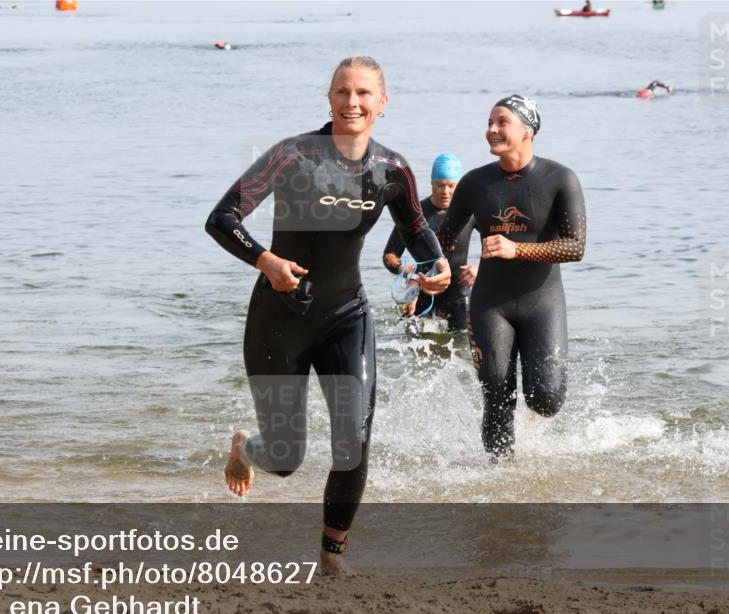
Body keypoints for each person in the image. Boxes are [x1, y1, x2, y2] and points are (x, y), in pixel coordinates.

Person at [205, 56, 451, 574]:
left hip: (346, 316)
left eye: (364, 93)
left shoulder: (392, 170)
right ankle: (244, 446)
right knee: (287, 459)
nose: (352, 102)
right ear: (330, 99)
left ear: (382, 104)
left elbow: (415, 229)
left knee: (354, 443)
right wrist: (265, 260)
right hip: (279, 318)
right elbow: (222, 218)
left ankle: (330, 556)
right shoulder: (293, 156)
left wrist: (437, 265)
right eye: (342, 92)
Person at [437, 95, 586, 460]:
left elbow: (575, 247)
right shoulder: (474, 184)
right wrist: (441, 269)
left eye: (502, 122)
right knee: (497, 394)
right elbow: (445, 239)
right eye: (489, 122)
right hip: (491, 301)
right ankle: (499, 475)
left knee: (546, 398)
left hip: (542, 301)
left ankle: (532, 436)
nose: (491, 129)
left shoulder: (559, 178)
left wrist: (517, 249)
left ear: (527, 130)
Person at [382, 152, 477, 332]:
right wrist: (403, 270)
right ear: (431, 183)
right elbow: (390, 255)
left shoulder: (469, 213)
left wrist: (480, 268)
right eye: (440, 185)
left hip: (458, 299)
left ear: (460, 185)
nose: (445, 192)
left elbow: (496, 242)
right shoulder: (415, 214)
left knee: (461, 350)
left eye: (451, 186)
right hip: (420, 295)